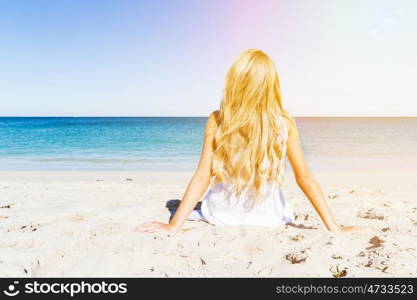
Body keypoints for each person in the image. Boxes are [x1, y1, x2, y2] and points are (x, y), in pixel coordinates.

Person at [135, 49, 360, 234]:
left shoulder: (218, 119)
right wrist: (334, 227)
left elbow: (203, 176)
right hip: (270, 217)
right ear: (272, 85)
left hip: (222, 214)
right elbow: (304, 177)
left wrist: (174, 225)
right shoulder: (285, 124)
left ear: (235, 83)